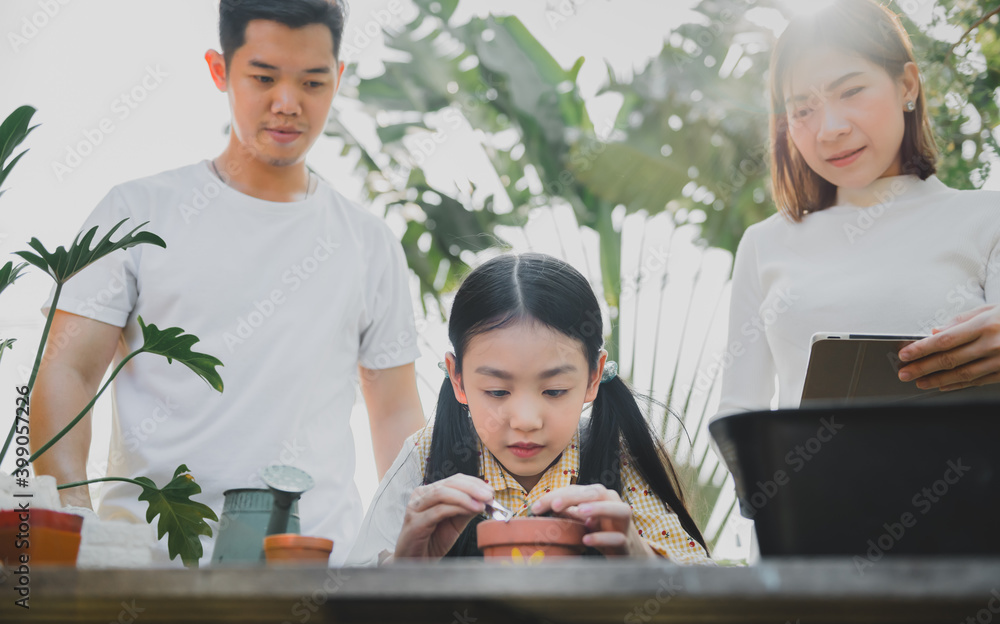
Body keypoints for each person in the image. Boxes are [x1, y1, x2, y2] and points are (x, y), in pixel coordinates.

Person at [31, 0, 424, 565]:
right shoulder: (137, 212)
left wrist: (396, 550)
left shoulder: (368, 242)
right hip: (150, 569)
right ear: (220, 70)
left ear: (337, 79)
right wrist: (76, 527)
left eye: (312, 82)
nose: (287, 104)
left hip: (317, 571)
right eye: (263, 77)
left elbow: (394, 414)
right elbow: (65, 368)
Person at [718, 0, 1000, 414]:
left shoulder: (987, 219)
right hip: (809, 479)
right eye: (803, 110)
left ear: (907, 85)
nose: (831, 129)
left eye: (850, 91)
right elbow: (737, 415)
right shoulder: (764, 244)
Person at [346, 253, 712, 565]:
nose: (525, 421)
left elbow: (714, 602)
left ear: (593, 377)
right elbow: (344, 604)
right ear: (457, 378)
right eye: (497, 391)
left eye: (553, 390)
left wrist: (640, 562)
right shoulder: (424, 460)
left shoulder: (618, 458)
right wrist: (407, 570)